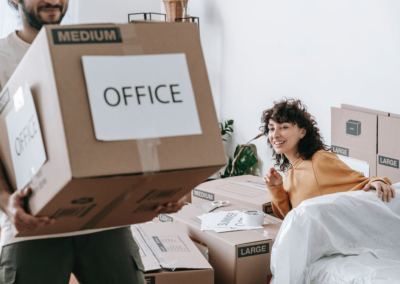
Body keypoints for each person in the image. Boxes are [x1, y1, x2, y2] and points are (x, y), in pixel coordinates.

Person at [0, 0, 185, 283]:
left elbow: (128, 125)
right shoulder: (2, 58)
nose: (53, 1)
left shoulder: (92, 48)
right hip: (30, 223)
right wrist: (5, 202)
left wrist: (158, 186)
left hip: (103, 217)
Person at [261, 99, 395, 220]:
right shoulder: (290, 173)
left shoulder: (319, 160)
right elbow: (292, 219)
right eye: (271, 128)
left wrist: (378, 181)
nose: (275, 135)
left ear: (302, 132)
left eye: (284, 127)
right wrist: (276, 188)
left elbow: (362, 183)